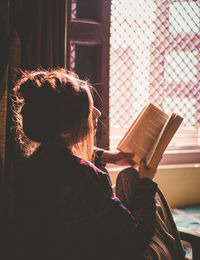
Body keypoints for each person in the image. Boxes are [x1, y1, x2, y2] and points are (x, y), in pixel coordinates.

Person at [7, 68, 184, 260]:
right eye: (88, 111)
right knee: (143, 189)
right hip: (107, 251)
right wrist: (147, 182)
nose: (97, 113)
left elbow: (59, 161)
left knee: (128, 176)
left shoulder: (28, 165)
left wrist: (110, 157)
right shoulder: (86, 176)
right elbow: (135, 237)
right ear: (66, 131)